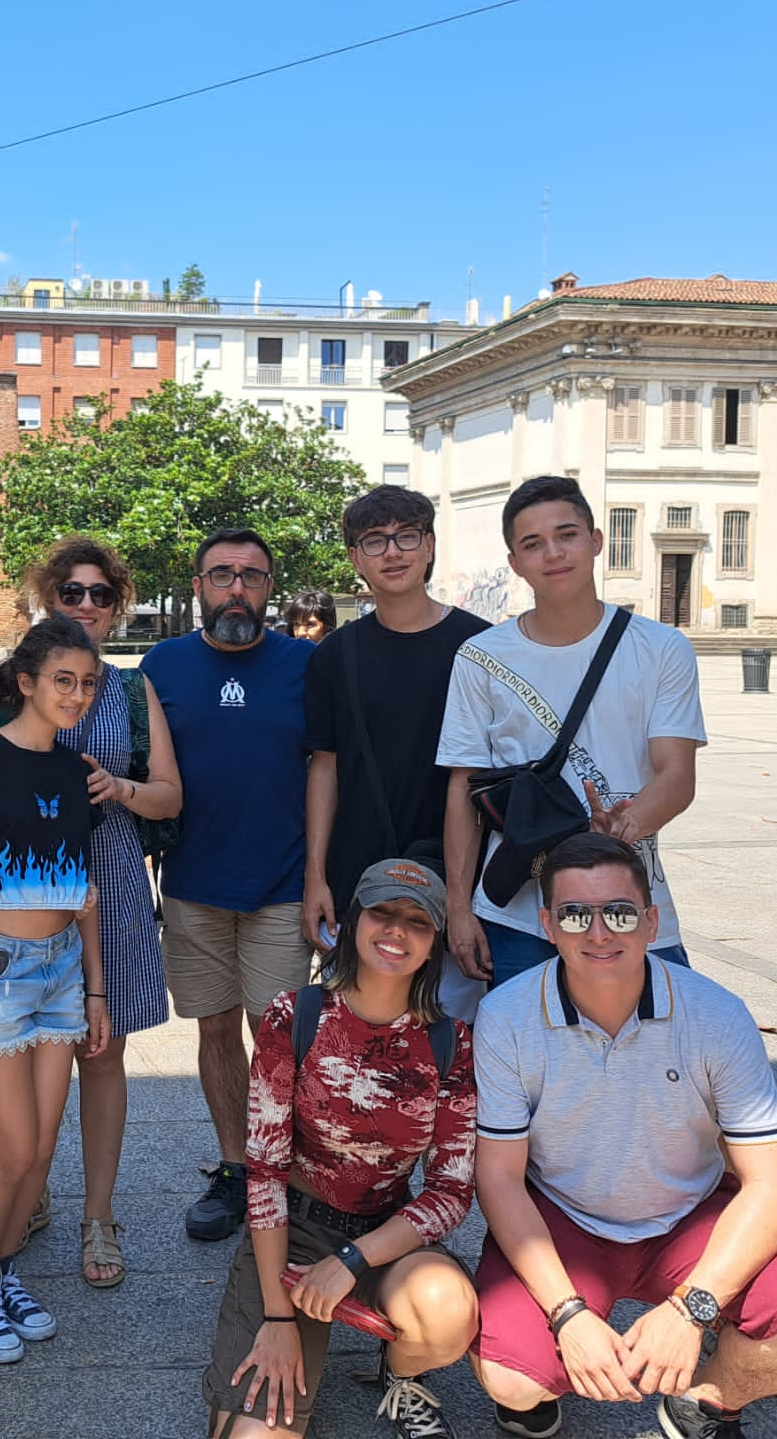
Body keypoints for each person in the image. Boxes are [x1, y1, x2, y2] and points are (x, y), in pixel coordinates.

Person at [470, 832, 777, 1439]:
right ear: (547, 924)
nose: (599, 933)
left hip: (691, 1215)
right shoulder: (507, 1017)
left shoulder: (717, 1014)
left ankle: (709, 1397)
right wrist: (568, 1315)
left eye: (620, 913)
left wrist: (691, 1309)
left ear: (651, 922)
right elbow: (498, 1179)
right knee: (514, 1381)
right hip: (567, 1221)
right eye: (575, 915)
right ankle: (551, 1375)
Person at [204, 857, 479, 1439]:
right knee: (252, 1433)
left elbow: (452, 1192)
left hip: (385, 1236)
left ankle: (400, 1375)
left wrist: (354, 1260)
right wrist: (278, 1317)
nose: (397, 931)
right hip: (293, 1230)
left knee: (447, 1310)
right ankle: (284, 1326)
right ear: (354, 921)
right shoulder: (295, 1015)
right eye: (382, 912)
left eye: (417, 922)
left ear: (434, 944)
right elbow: (265, 1171)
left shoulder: (449, 1042)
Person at [0, 613, 111, 1364]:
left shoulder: (76, 774)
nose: (76, 695)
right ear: (27, 683)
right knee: (7, 1147)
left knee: (38, 1150)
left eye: (88, 684)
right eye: (62, 681)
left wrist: (97, 989)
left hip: (63, 969)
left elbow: (83, 888)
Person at [437, 476, 705, 992]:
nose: (553, 554)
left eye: (568, 535)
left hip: (629, 897)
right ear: (514, 562)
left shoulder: (662, 649)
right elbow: (462, 787)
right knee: (526, 1061)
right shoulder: (481, 656)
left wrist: (621, 828)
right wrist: (459, 908)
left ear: (597, 541)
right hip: (517, 908)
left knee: (657, 1054)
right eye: (532, 544)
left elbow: (676, 775)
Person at [143, 529, 316, 1243]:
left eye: (251, 575)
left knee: (278, 1038)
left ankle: (289, 1173)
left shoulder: (309, 665)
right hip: (193, 883)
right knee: (214, 1028)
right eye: (221, 575)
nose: (236, 588)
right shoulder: (161, 665)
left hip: (283, 881)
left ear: (270, 587)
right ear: (198, 587)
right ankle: (235, 1167)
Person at [27, 536, 184, 1288]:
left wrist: (118, 789)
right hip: (24, 882)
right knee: (25, 1053)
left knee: (103, 1048)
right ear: (48, 600)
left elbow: (170, 795)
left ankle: (98, 1212)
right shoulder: (9, 681)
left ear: (118, 606)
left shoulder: (129, 690)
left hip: (113, 873)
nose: (86, 605)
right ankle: (25, 1192)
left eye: (100, 594)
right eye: (72, 592)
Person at [301, 489, 487, 965]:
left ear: (428, 546)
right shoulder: (334, 656)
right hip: (360, 876)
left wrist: (464, 902)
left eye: (406, 536)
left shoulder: (481, 645)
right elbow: (325, 769)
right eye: (374, 541)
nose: (392, 552)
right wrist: (316, 878)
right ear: (354, 558)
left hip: (459, 877)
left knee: (451, 1029)